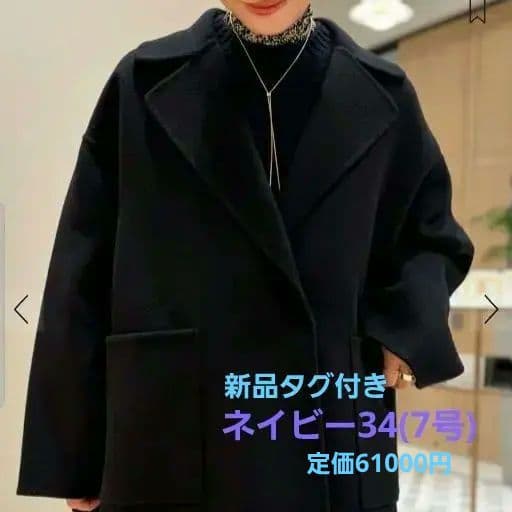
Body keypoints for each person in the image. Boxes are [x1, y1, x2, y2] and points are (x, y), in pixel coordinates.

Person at [16, 1, 474, 511]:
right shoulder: (142, 83)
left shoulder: (385, 94)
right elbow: (82, 265)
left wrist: (404, 329)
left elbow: (434, 237)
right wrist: (74, 453)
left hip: (328, 423)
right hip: (173, 431)